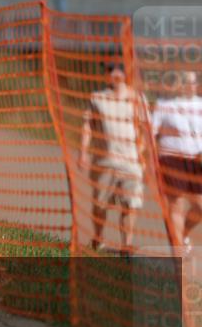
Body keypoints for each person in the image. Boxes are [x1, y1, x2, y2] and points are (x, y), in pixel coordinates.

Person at [79, 62, 147, 255]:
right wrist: (83, 152)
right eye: (111, 70)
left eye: (120, 69)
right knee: (100, 204)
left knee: (129, 205)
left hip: (131, 163)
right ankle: (98, 239)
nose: (116, 73)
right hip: (103, 161)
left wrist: (141, 154)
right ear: (107, 74)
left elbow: (145, 130)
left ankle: (127, 246)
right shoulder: (97, 98)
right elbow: (87, 126)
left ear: (126, 74)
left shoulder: (137, 99)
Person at [152, 70, 202, 252]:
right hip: (171, 158)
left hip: (196, 160)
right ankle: (178, 252)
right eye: (186, 81)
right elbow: (151, 133)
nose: (190, 85)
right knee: (176, 205)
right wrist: (149, 160)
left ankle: (183, 234)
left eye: (193, 82)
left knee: (200, 206)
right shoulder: (164, 104)